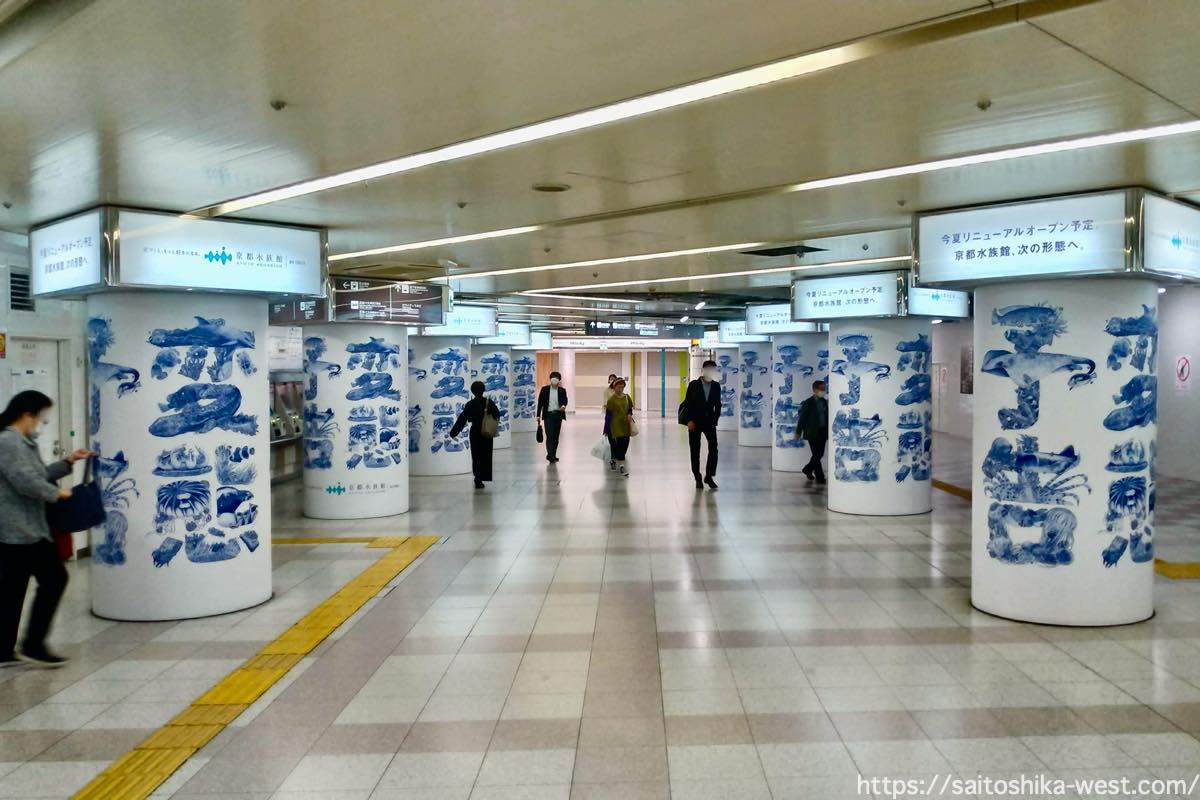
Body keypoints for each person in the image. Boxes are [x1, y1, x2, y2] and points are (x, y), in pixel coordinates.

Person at [0, 390, 93, 668]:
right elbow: (25, 482)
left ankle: (5, 650)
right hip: (20, 529)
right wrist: (58, 494)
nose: (41, 423)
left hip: (23, 528)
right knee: (54, 579)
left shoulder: (21, 441)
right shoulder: (9, 442)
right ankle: (33, 644)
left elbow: (37, 475)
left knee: (12, 589)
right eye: (41, 418)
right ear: (27, 415)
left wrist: (69, 462)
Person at [450, 381, 502, 489]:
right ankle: (484, 476)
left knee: (476, 455)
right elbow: (497, 414)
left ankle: (477, 478)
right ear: (483, 390)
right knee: (486, 455)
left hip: (475, 432)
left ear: (472, 391)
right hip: (486, 432)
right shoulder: (489, 402)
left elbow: (462, 419)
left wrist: (454, 432)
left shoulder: (470, 404)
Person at [682, 359, 722, 490]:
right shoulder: (693, 385)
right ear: (703, 371)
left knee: (714, 448)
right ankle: (697, 477)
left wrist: (715, 419)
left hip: (709, 422)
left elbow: (718, 405)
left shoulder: (716, 386)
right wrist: (689, 420)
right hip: (694, 421)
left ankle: (709, 476)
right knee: (695, 450)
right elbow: (687, 404)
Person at [794, 380, 829, 484]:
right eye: (821, 389)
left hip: (823, 431)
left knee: (819, 454)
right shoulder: (808, 402)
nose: (823, 391)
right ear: (814, 390)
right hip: (812, 432)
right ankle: (820, 477)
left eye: (824, 389)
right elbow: (802, 418)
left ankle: (807, 469)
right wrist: (798, 431)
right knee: (816, 454)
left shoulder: (823, 401)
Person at [603, 377, 634, 477]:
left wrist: (629, 414)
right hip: (614, 426)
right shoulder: (611, 400)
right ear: (614, 387)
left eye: (622, 387)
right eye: (619, 387)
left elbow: (630, 409)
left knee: (624, 444)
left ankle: (615, 460)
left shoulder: (627, 397)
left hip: (625, 425)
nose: (621, 389)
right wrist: (606, 429)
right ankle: (621, 466)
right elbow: (608, 416)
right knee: (617, 446)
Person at [537, 371, 568, 463]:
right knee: (550, 435)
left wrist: (563, 405)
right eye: (553, 377)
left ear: (559, 380)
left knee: (556, 437)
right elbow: (540, 403)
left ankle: (553, 454)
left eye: (556, 378)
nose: (554, 379)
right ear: (550, 379)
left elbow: (564, 400)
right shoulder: (544, 389)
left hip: (558, 415)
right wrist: (538, 415)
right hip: (548, 415)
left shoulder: (562, 390)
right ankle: (550, 455)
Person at [602, 373, 618, 470]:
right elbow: (605, 402)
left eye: (613, 379)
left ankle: (618, 452)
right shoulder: (607, 391)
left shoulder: (619, 390)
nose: (612, 380)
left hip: (619, 416)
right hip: (610, 414)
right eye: (610, 379)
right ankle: (613, 454)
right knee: (611, 434)